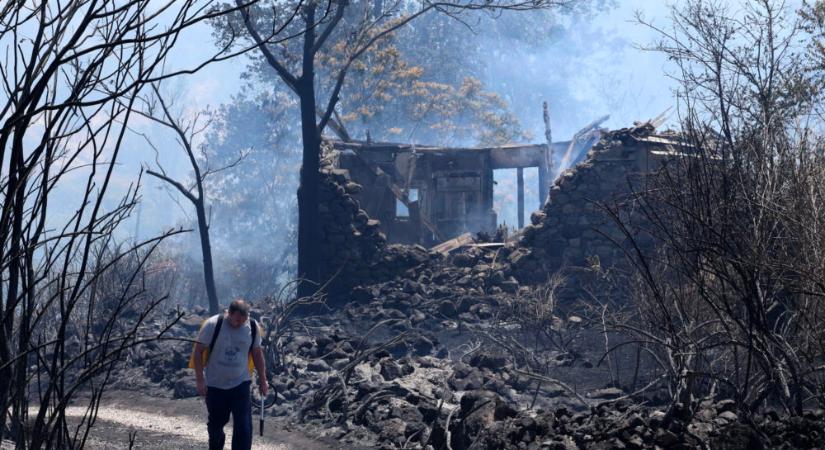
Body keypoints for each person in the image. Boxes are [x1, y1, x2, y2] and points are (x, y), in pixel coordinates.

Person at [193, 299, 268, 450]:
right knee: (216, 426)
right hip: (215, 385)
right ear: (229, 313)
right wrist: (200, 380)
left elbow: (257, 353)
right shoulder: (213, 325)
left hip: (241, 383)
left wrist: (263, 379)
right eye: (237, 320)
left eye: (244, 320)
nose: (240, 323)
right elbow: (198, 352)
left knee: (244, 426)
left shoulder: (252, 327)